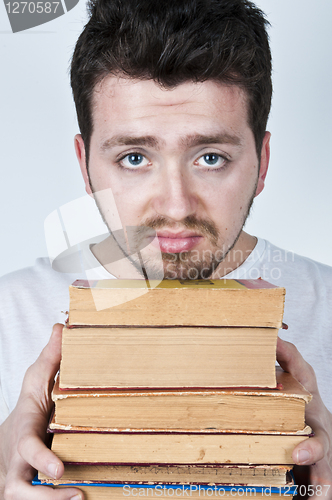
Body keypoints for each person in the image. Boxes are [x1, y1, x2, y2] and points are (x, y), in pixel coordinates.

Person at [0, 0, 331, 498]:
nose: (176, 206)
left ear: (262, 163)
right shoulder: (8, 315)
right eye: (134, 157)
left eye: (211, 157)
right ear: (85, 164)